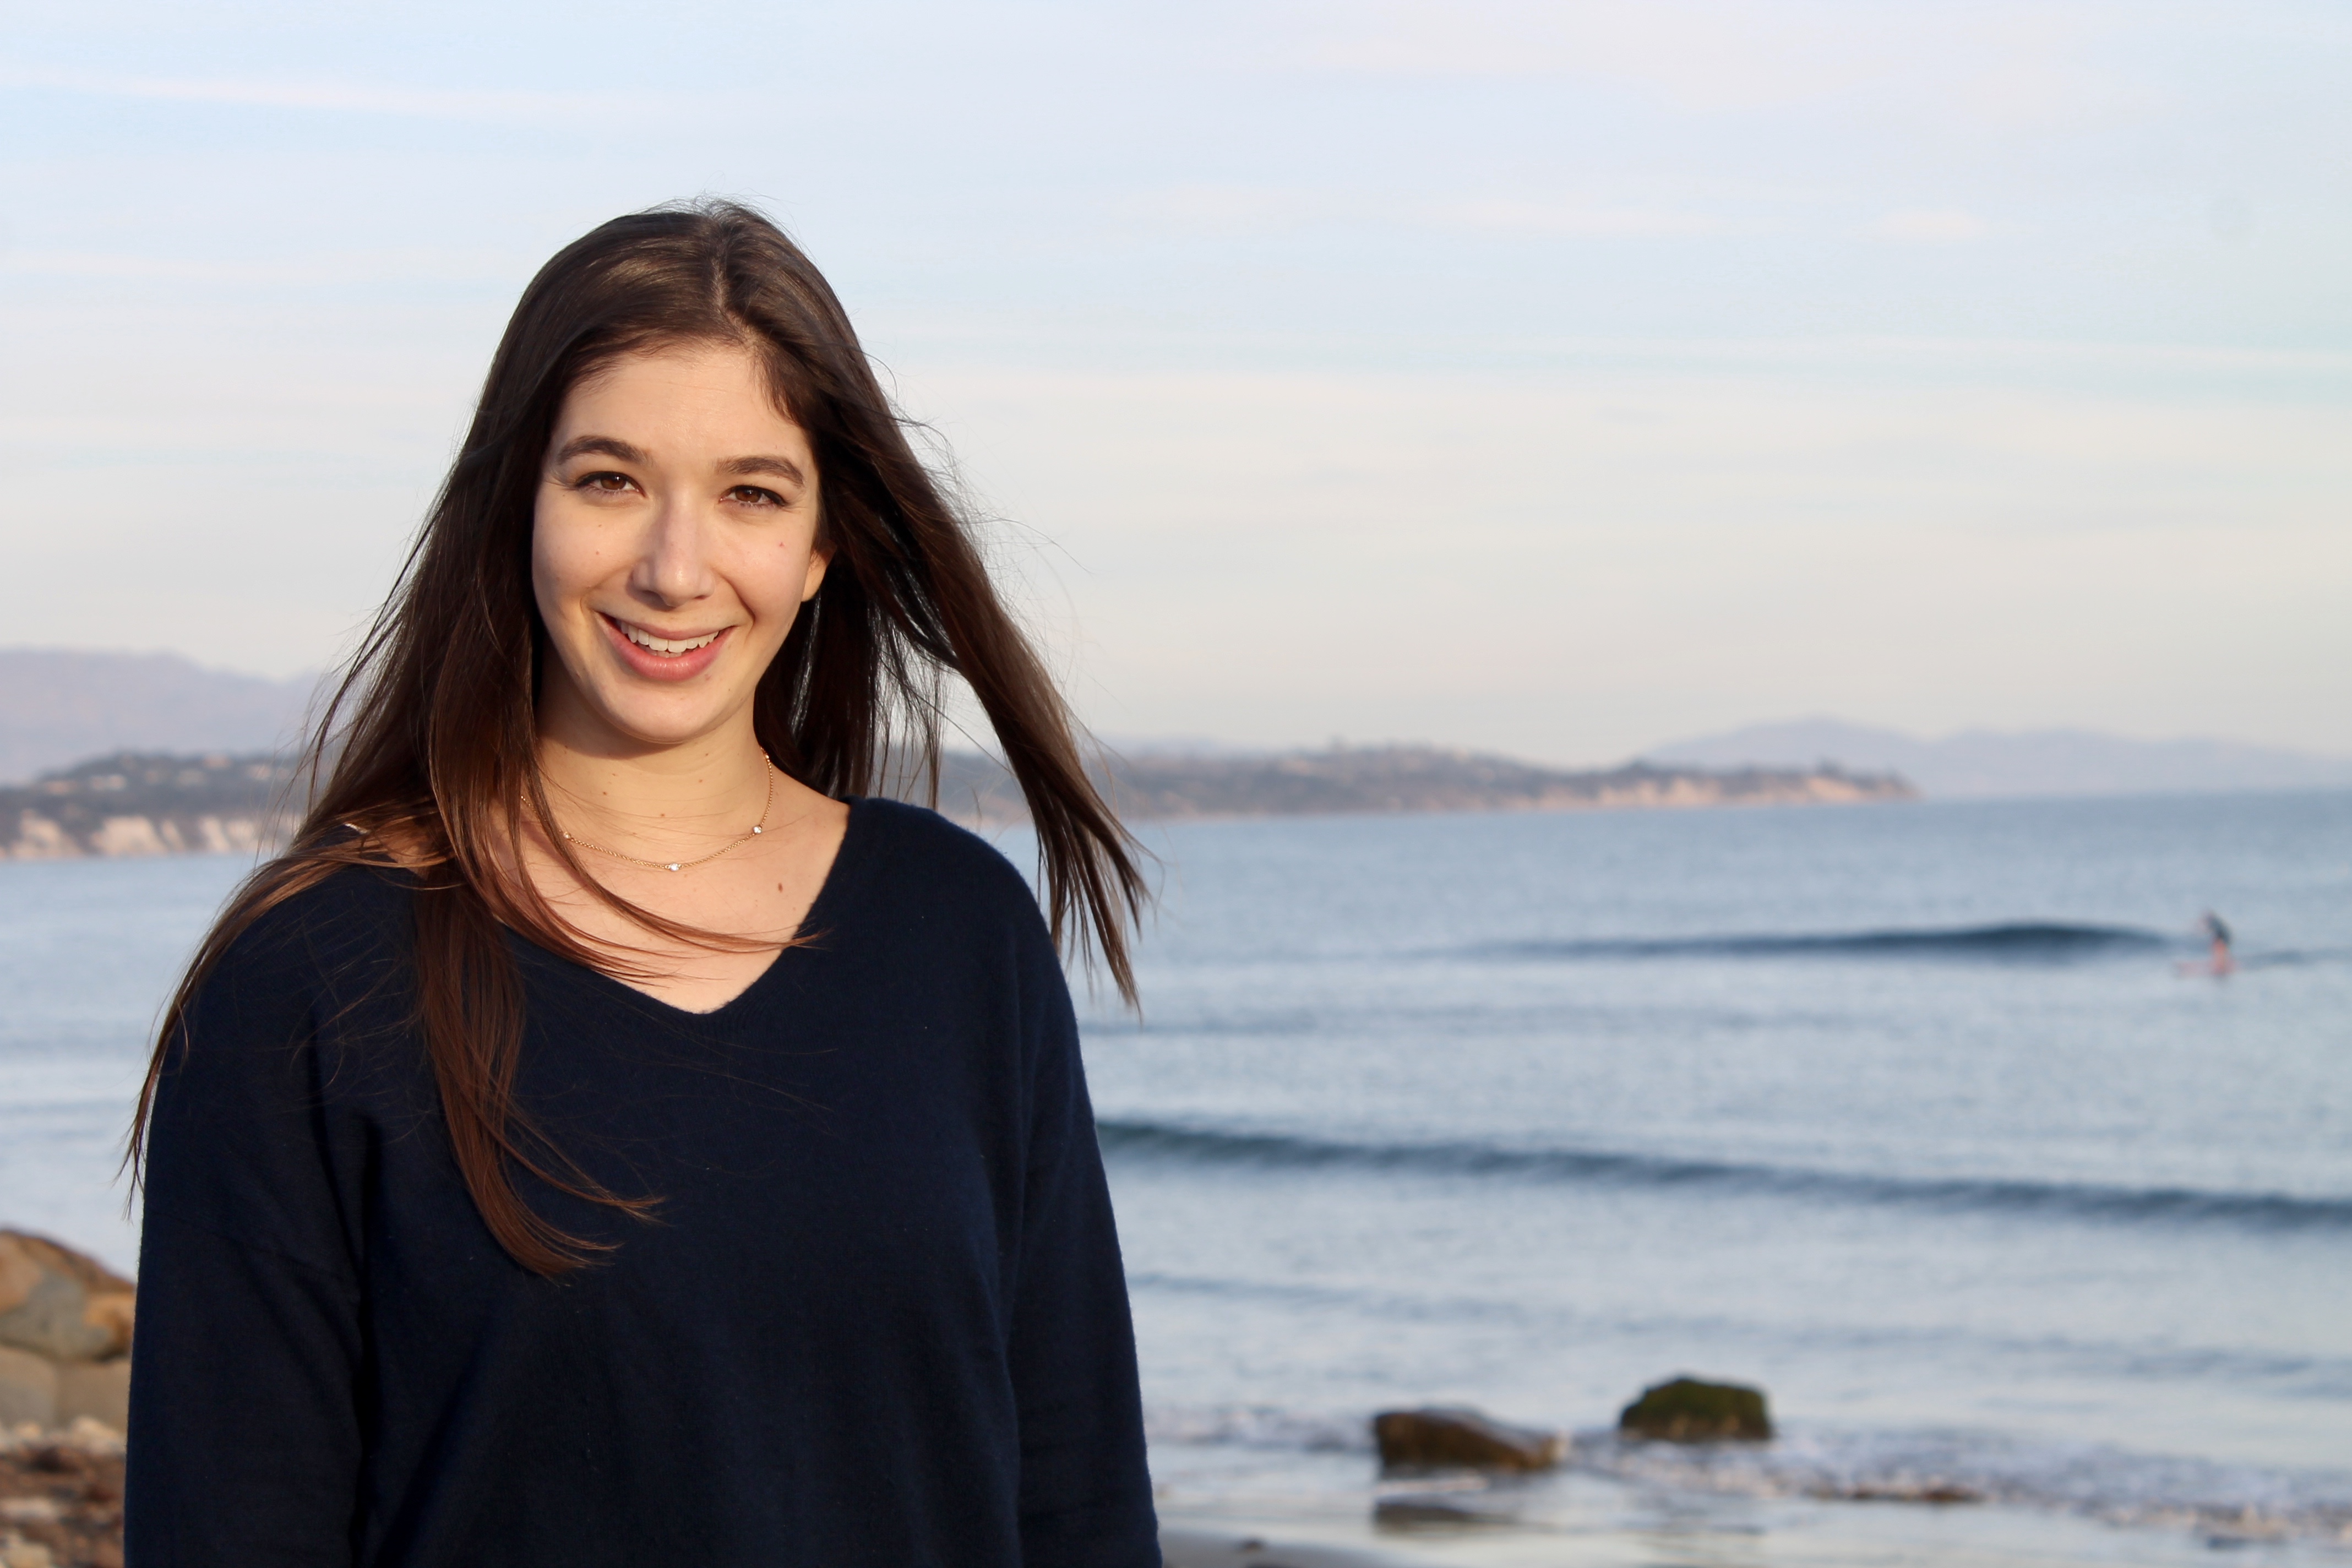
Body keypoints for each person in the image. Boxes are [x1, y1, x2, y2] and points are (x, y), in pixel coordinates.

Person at [123, 202, 1160, 1566]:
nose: (675, 568)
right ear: (518, 506)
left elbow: (1077, 1496)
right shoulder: (313, 976)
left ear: (820, 545)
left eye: (751, 492)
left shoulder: (958, 934)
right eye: (609, 479)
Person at [2202, 910, 2235, 976]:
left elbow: (2212, 931)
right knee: (2220, 952)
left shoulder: (2214, 922)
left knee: (2219, 952)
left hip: (2223, 939)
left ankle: (2220, 966)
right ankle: (2222, 965)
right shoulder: (2217, 922)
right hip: (2225, 938)